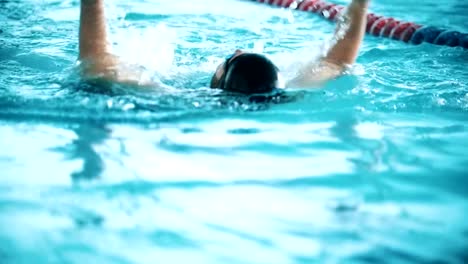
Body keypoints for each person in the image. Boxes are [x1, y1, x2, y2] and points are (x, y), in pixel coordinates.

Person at [79, 0, 370, 94]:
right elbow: (338, 60)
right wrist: (360, 5)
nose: (237, 47)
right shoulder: (290, 91)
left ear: (217, 79)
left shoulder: (170, 95)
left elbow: (97, 63)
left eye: (232, 57)